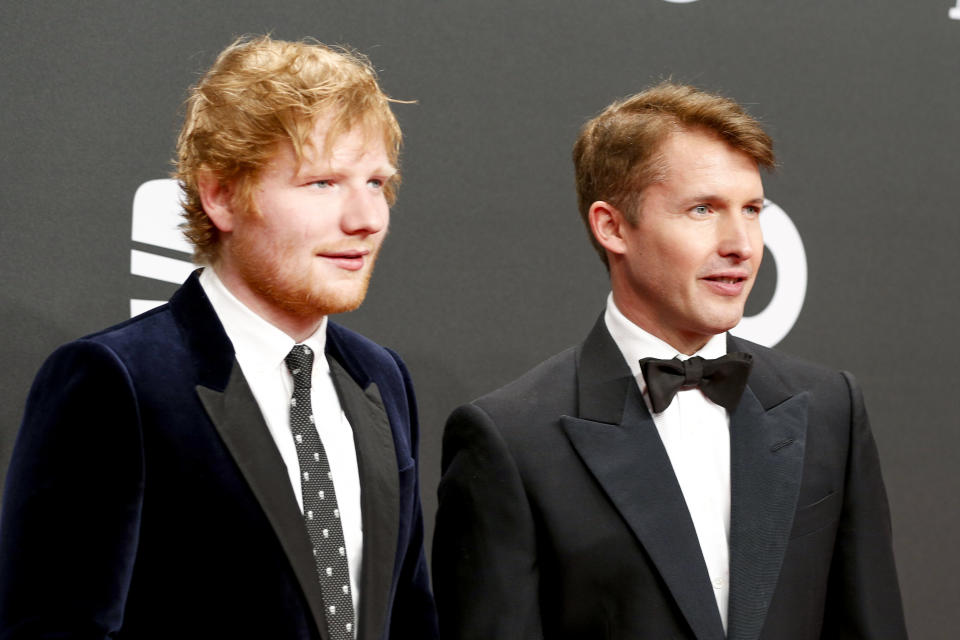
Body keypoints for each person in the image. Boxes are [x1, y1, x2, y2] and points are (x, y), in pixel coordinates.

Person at [0, 35, 438, 640]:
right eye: (323, 183)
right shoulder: (116, 381)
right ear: (222, 195)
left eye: (376, 183)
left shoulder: (379, 378)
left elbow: (410, 617)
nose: (365, 218)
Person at [433, 82, 907, 639]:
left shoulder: (830, 408)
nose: (743, 245)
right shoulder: (511, 440)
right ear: (612, 226)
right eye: (702, 209)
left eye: (752, 210)